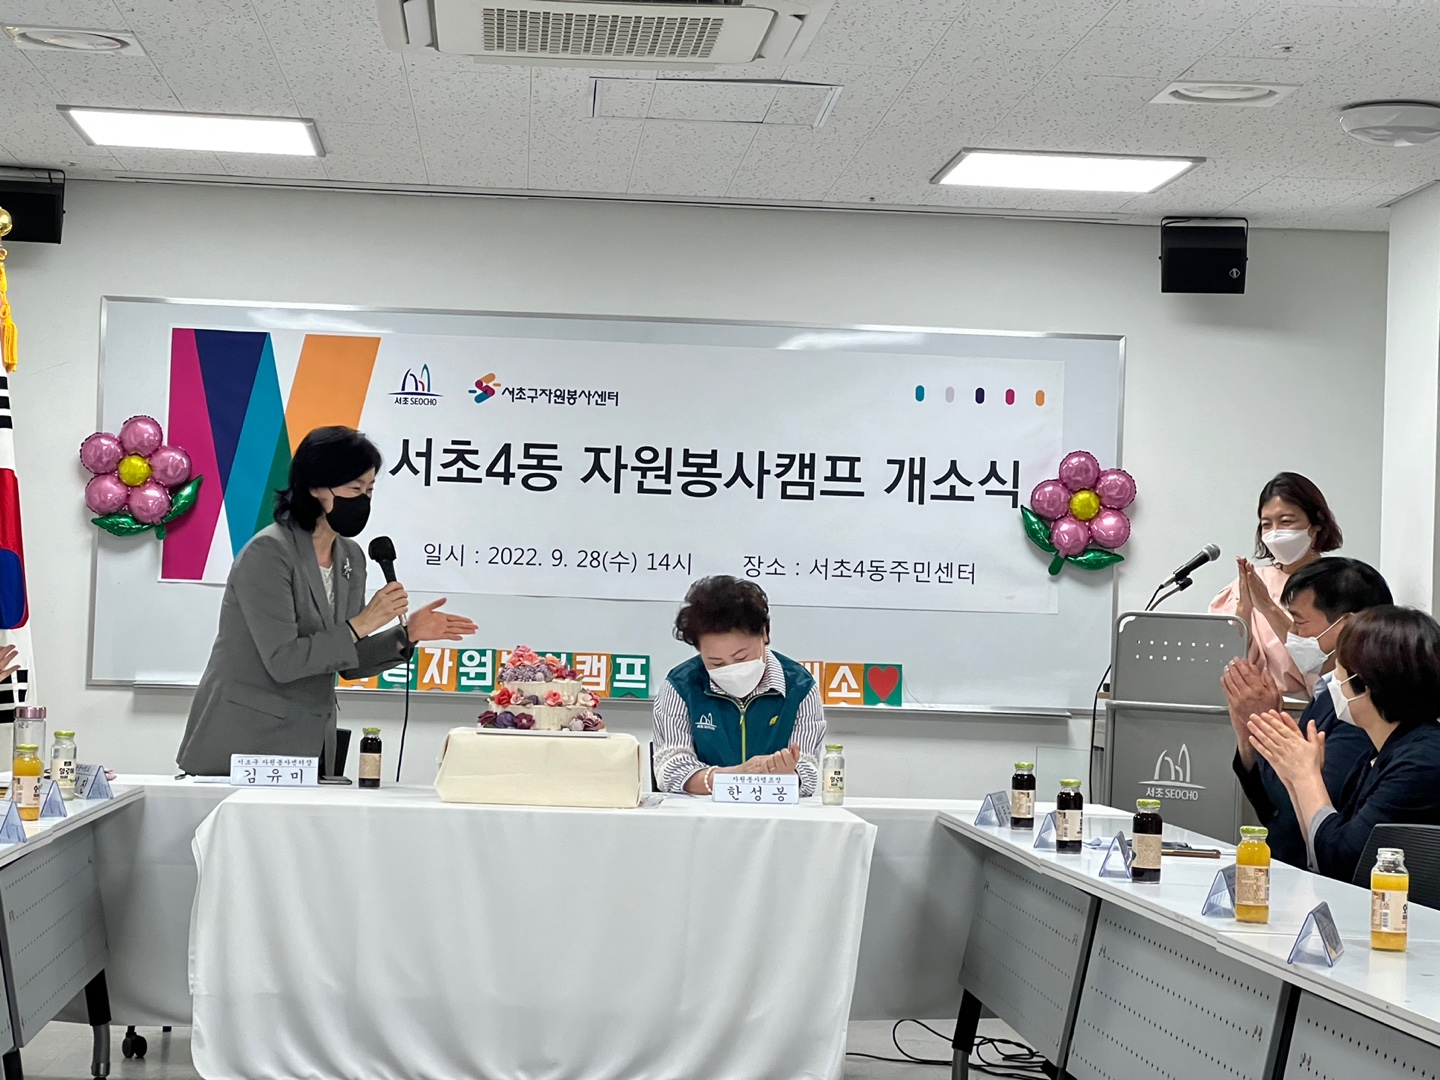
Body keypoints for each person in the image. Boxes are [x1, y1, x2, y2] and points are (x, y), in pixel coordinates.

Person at [177, 427, 477, 775]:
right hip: (246, 741)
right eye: (354, 489)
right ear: (315, 487)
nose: (363, 500)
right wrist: (363, 622)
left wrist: (407, 634)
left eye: (369, 490)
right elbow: (284, 661)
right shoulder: (269, 553)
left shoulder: (351, 556)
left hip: (310, 743)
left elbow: (347, 659)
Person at [1247, 605, 1440, 882]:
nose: (1332, 683)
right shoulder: (1380, 752)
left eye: (1339, 672)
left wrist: (1306, 777)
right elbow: (1318, 850)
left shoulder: (1420, 761)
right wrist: (1293, 777)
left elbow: (1343, 860)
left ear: (1364, 685)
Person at [1221, 558, 1391, 866]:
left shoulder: (1358, 707)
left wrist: (1267, 725)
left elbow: (1303, 815)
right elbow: (1268, 806)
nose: (1292, 634)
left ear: (1346, 625)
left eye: (1299, 623)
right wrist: (1249, 735)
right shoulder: (1327, 694)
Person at [652, 576, 825, 796]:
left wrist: (789, 774)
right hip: (701, 813)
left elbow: (808, 770)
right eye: (716, 663)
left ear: (765, 633)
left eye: (741, 657)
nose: (731, 670)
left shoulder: (800, 687)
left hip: (775, 811)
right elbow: (671, 768)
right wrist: (735, 776)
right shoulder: (680, 686)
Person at [1209, 472, 1343, 696]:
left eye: (1286, 522)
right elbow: (1222, 659)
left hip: (1312, 710)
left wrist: (1268, 608)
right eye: (1266, 525)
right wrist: (1244, 609)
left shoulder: (1339, 585)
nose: (1275, 533)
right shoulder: (1250, 582)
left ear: (1316, 524)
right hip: (1248, 707)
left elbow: (1328, 669)